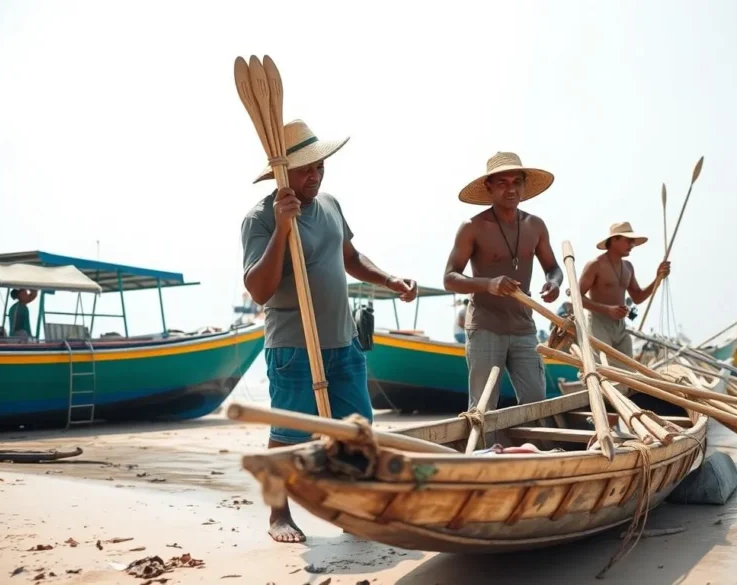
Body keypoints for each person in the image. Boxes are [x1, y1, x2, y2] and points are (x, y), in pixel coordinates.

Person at [240, 120, 418, 544]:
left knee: (357, 431)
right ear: (282, 173)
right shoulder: (259, 218)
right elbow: (259, 288)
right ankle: (278, 514)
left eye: (319, 166)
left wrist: (389, 280)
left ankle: (355, 508)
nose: (315, 175)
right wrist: (282, 229)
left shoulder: (332, 204)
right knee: (288, 435)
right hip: (293, 346)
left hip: (343, 341)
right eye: (305, 169)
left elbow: (350, 257)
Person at [442, 152, 562, 411]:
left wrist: (554, 283)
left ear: (524, 185)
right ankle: (485, 452)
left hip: (524, 328)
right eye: (502, 183)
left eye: (516, 182)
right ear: (489, 187)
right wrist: (488, 284)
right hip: (485, 327)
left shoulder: (535, 225)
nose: (511, 189)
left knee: (536, 405)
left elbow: (553, 268)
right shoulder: (472, 226)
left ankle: (531, 452)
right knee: (482, 409)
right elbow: (450, 278)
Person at [577, 221, 670, 365]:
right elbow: (577, 298)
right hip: (598, 323)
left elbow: (638, 297)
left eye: (633, 241)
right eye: (628, 240)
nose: (632, 245)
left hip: (620, 326)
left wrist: (657, 278)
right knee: (603, 369)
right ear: (614, 240)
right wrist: (607, 310)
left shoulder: (628, 267)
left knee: (628, 372)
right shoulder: (595, 264)